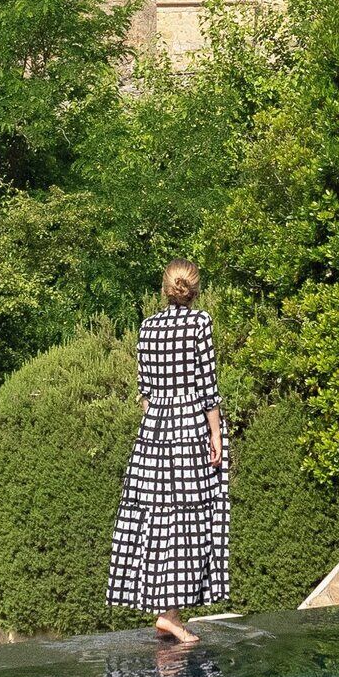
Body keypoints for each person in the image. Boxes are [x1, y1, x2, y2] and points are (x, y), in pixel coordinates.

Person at [106, 261, 229, 643]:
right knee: (188, 519)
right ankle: (170, 616)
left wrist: (157, 420)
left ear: (165, 289)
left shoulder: (147, 327)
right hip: (190, 423)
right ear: (195, 290)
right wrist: (216, 435)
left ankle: (167, 613)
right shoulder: (200, 323)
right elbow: (207, 387)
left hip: (154, 428)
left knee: (156, 518)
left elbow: (143, 390)